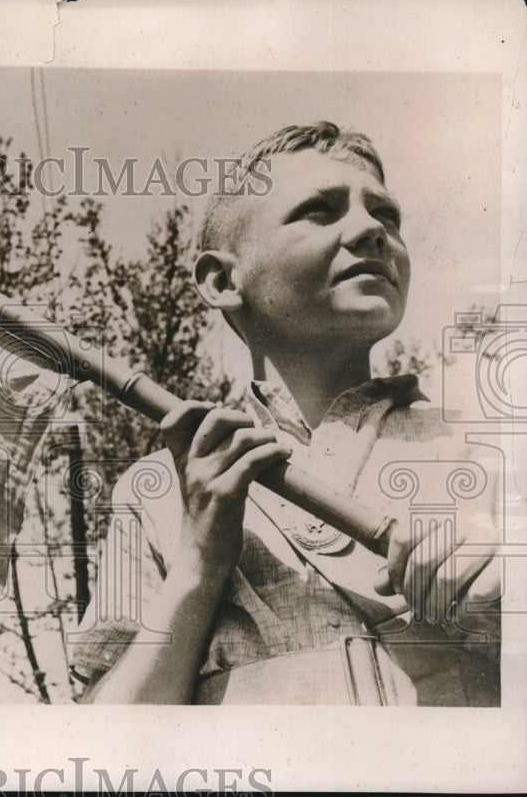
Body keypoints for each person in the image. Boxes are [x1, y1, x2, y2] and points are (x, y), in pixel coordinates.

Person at [73, 122, 503, 706]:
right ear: (223, 280)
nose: (372, 229)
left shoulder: (487, 446)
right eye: (319, 212)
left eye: (386, 214)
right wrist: (199, 561)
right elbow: (111, 745)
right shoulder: (154, 491)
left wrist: (506, 589)